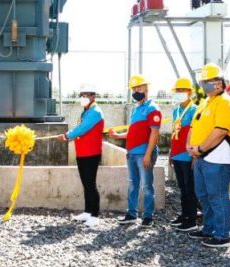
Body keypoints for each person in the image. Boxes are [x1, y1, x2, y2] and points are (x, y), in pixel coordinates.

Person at [186, 63, 230, 248]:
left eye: (208, 81)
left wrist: (200, 149)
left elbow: (220, 132)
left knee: (217, 195)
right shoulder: (205, 102)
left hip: (218, 157)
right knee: (203, 193)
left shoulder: (225, 102)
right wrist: (190, 146)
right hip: (201, 156)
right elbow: (194, 126)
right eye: (203, 82)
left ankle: (223, 234)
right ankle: (208, 228)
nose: (205, 85)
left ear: (219, 82)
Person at [110, 74, 161, 227]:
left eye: (139, 88)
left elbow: (155, 133)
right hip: (132, 153)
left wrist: (147, 155)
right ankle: (131, 214)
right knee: (133, 184)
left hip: (144, 154)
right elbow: (134, 132)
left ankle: (148, 217)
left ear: (146, 88)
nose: (136, 91)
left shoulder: (153, 108)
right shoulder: (136, 109)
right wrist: (118, 135)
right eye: (134, 88)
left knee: (146, 185)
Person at [57, 83, 105, 228]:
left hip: (91, 153)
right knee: (86, 184)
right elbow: (79, 128)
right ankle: (87, 212)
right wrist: (70, 136)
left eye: (86, 95)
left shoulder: (95, 112)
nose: (83, 98)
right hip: (83, 152)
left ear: (93, 96)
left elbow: (83, 128)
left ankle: (95, 216)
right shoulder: (86, 111)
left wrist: (66, 136)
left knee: (90, 184)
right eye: (82, 95)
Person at [168, 77, 199, 232]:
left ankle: (192, 219)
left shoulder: (195, 110)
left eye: (182, 90)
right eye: (177, 91)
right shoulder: (176, 110)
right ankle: (184, 214)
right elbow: (175, 132)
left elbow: (197, 133)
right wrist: (170, 153)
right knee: (181, 187)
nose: (179, 93)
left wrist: (194, 156)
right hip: (177, 155)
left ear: (189, 92)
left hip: (188, 155)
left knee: (190, 187)